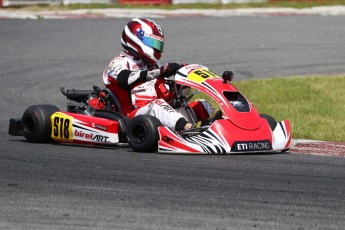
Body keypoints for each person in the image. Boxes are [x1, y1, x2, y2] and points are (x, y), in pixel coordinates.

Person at [101, 18, 221, 131]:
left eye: (158, 44)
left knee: (201, 103)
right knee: (158, 105)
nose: (156, 48)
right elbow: (124, 79)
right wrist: (159, 72)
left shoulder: (152, 65)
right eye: (152, 42)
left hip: (158, 112)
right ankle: (193, 130)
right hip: (132, 116)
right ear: (136, 39)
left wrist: (183, 75)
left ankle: (221, 126)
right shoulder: (119, 62)